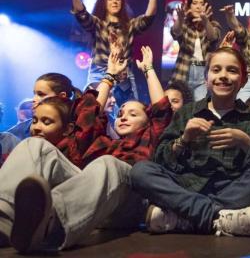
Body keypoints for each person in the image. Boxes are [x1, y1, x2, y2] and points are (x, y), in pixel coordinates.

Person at [0, 46, 172, 253]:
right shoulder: (103, 142)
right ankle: (4, 220)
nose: (124, 116)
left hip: (128, 202)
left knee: (110, 164)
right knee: (35, 144)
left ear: (148, 122)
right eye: (121, 113)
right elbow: (90, 114)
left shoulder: (150, 137)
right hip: (90, 201)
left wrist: (148, 70)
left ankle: (50, 227)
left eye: (133, 114)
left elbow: (162, 109)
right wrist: (109, 76)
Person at [130, 47, 250, 237]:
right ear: (205, 79)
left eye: (232, 71)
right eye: (216, 70)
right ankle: (219, 218)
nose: (223, 76)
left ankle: (184, 219)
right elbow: (159, 159)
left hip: (233, 188)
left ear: (243, 80)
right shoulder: (187, 113)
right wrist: (183, 140)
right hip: (185, 186)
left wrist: (247, 143)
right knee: (140, 171)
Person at [64, 0, 166, 104]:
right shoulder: (98, 24)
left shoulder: (129, 26)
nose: (115, 1)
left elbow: (148, 19)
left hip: (124, 76)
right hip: (99, 74)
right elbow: (82, 14)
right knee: (95, 112)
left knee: (127, 112)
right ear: (103, 2)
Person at [169, 0, 222, 101]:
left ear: (207, 6)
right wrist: (180, 18)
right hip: (183, 71)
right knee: (177, 108)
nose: (198, 7)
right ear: (189, 6)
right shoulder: (184, 25)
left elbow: (213, 37)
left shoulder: (213, 25)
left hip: (203, 73)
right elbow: (175, 32)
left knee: (200, 107)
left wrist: (205, 21)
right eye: (195, 3)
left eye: (202, 4)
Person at [6, 73, 82, 140]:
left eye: (41, 94)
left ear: (62, 96)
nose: (34, 99)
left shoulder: (81, 129)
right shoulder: (16, 134)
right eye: (35, 121)